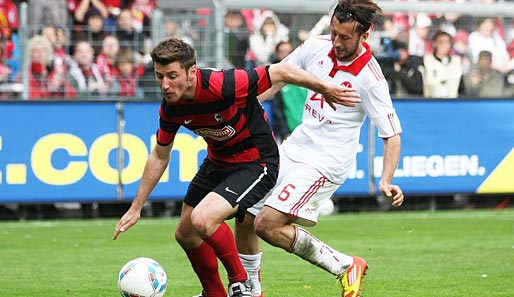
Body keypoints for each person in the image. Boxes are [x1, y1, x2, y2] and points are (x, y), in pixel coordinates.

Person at [112, 37, 361, 297]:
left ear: (191, 72)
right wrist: (136, 207)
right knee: (185, 233)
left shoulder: (224, 84)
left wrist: (324, 88)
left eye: (172, 75)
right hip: (218, 162)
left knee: (203, 219)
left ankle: (241, 285)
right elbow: (160, 155)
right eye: (159, 76)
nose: (165, 84)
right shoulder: (171, 107)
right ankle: (214, 293)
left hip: (256, 162)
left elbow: (281, 71)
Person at [253, 1, 404, 297]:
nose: (336, 42)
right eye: (334, 33)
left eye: (345, 37)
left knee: (267, 224)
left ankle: (345, 265)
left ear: (364, 34)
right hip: (294, 147)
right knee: (246, 214)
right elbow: (279, 75)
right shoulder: (316, 47)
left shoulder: (371, 79)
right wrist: (249, 102)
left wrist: (385, 179)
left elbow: (392, 134)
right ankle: (248, 289)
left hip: (327, 162)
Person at [423, 31, 465, 98]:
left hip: (452, 102)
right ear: (434, 43)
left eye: (447, 42)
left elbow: (461, 86)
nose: (444, 45)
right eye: (441, 42)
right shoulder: (426, 60)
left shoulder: (456, 61)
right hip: (432, 101)